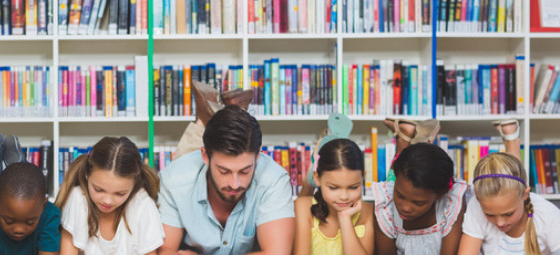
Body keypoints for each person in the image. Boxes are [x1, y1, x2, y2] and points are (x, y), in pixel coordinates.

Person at [157, 105, 295, 255]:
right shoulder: (173, 180)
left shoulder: (274, 180)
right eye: (224, 171)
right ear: (205, 156)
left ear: (257, 156)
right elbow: (165, 251)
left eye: (244, 171)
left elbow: (277, 253)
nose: (235, 184)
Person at [458, 120, 560, 255]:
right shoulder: (476, 206)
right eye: (490, 215)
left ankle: (511, 139)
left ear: (525, 195)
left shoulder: (549, 216)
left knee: (515, 180)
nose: (500, 223)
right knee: (514, 179)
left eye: (508, 214)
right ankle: (511, 138)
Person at [55, 137, 164, 255]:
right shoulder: (78, 198)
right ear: (87, 174)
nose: (108, 201)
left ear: (134, 185)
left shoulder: (143, 205)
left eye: (120, 193)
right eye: (98, 190)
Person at [293, 139, 374, 255]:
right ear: (317, 178)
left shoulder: (368, 212)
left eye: (353, 187)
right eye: (334, 188)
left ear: (363, 178)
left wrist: (345, 218)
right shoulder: (303, 207)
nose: (344, 197)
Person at [0, 162, 61, 255]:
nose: (19, 230)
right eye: (9, 221)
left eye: (30, 222)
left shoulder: (50, 216)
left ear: (43, 207)